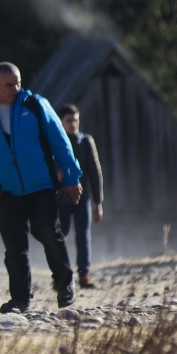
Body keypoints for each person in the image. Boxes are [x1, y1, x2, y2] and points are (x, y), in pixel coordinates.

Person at [0, 62, 82, 313]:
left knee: (49, 234)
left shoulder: (35, 105)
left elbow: (60, 142)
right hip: (5, 193)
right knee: (14, 248)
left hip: (41, 187)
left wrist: (72, 178)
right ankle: (20, 299)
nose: (15, 88)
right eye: (9, 84)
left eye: (18, 82)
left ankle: (64, 283)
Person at [58, 104, 104, 289]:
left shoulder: (86, 142)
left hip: (82, 197)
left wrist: (98, 202)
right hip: (61, 198)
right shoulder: (57, 142)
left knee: (83, 236)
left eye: (76, 120)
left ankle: (84, 274)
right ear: (62, 122)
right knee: (59, 236)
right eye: (69, 120)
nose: (73, 124)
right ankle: (62, 274)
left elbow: (95, 171)